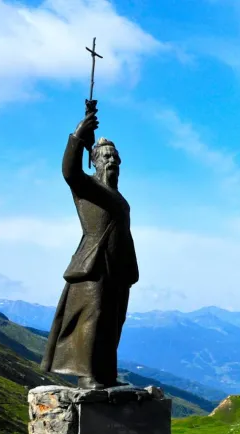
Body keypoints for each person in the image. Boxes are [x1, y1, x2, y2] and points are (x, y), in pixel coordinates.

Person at [41, 109, 139, 389]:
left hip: (118, 267)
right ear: (94, 161)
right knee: (92, 317)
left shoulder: (119, 197)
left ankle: (105, 373)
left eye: (114, 157)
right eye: (105, 157)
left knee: (112, 320)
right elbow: (69, 171)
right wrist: (78, 136)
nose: (111, 161)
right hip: (94, 264)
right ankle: (87, 375)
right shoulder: (88, 188)